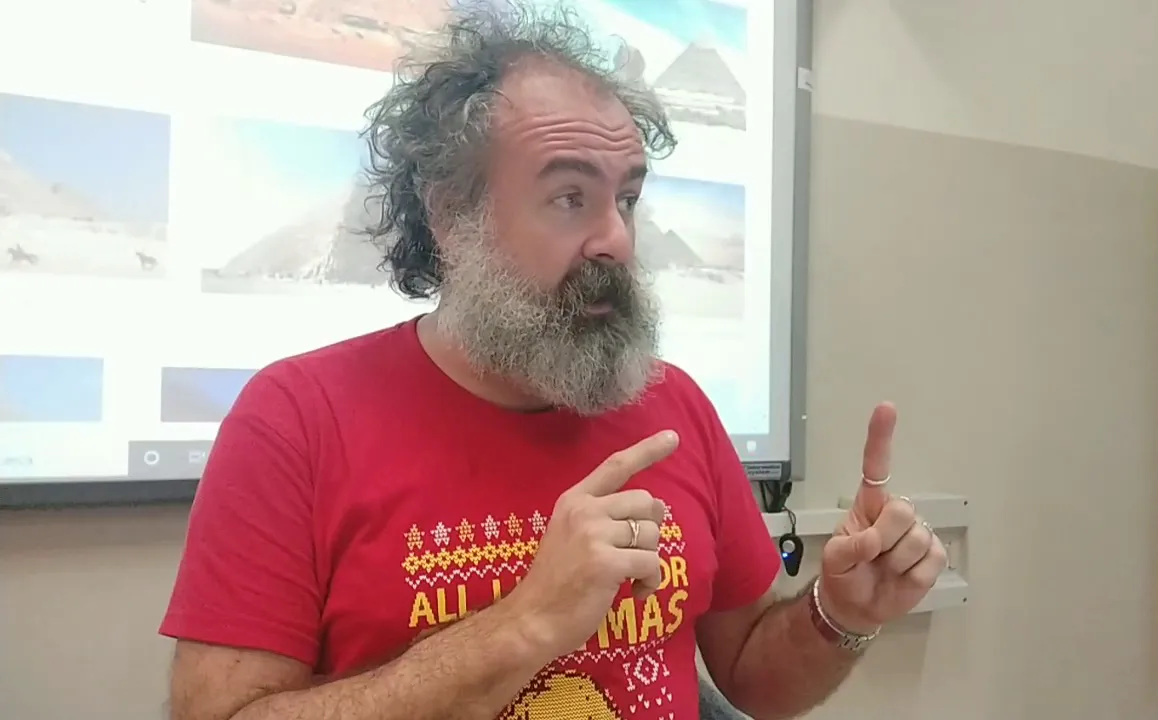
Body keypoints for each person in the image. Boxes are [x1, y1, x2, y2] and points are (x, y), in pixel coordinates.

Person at [159, 3, 947, 720]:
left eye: (627, 198)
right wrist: (526, 623)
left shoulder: (674, 407)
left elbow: (752, 677)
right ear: (450, 212)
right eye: (571, 198)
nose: (617, 240)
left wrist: (840, 614)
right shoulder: (296, 420)